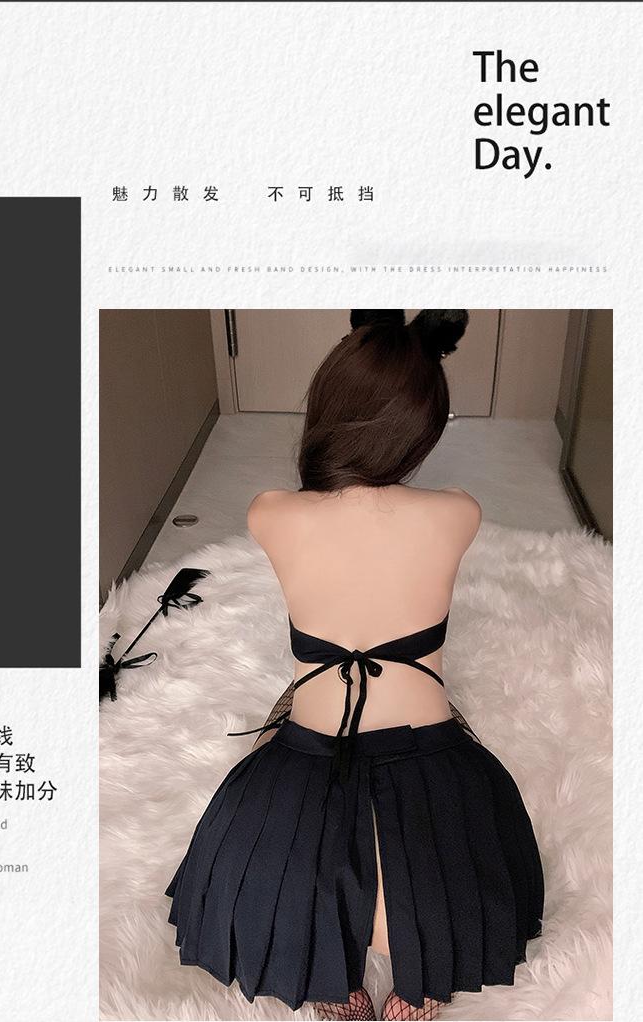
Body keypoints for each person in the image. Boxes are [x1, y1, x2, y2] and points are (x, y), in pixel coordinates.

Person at [165, 309, 544, 1021]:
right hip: (432, 773)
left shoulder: (270, 511)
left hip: (306, 763)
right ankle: (420, 981)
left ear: (327, 411)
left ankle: (332, 981)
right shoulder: (458, 510)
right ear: (422, 428)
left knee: (271, 873)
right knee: (457, 871)